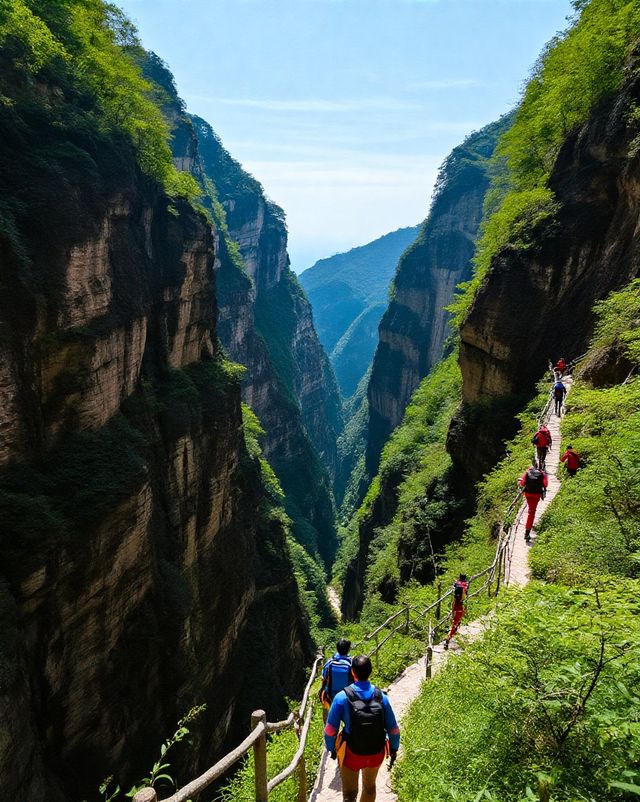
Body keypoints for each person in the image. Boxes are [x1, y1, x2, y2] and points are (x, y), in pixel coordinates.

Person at [324, 654, 400, 802]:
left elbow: (330, 730)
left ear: (352, 672)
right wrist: (394, 748)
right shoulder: (381, 697)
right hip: (375, 752)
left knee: (349, 794)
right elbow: (393, 729)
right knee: (370, 788)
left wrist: (332, 748)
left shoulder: (341, 697)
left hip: (351, 753)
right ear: (370, 672)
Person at [320, 639, 353, 719]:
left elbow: (323, 678)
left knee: (332, 719)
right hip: (348, 698)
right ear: (348, 650)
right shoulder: (351, 663)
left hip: (331, 698)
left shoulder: (329, 663)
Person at [519, 461, 548, 542]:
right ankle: (527, 533)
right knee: (531, 513)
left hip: (528, 494)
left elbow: (522, 483)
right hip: (536, 495)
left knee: (530, 510)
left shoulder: (528, 472)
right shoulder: (542, 473)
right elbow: (545, 484)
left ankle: (527, 530)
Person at [444, 573, 469, 650]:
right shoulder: (465, 584)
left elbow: (454, 585)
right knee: (456, 622)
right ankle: (449, 637)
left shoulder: (456, 583)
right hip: (460, 605)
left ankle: (451, 634)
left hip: (455, 603)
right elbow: (465, 595)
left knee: (455, 621)